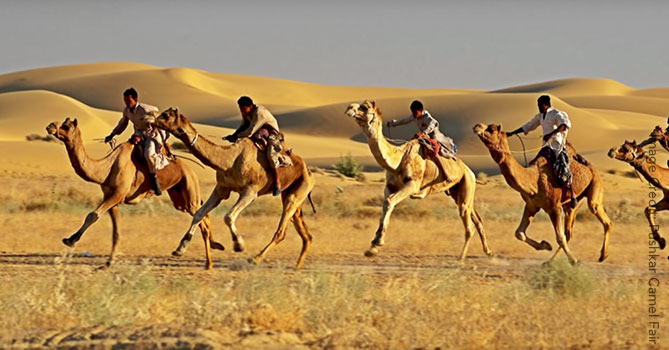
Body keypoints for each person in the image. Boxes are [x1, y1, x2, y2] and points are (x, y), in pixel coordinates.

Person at [506, 95, 576, 207]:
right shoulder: (540, 116)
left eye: (540, 105)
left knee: (563, 169)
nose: (538, 107)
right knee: (533, 164)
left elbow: (564, 126)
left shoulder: (556, 114)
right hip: (545, 147)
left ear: (546, 104)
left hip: (556, 146)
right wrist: (512, 133)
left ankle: (573, 195)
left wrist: (551, 134)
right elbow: (529, 126)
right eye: (538, 105)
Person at [104, 88, 169, 195]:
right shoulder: (126, 111)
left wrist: (164, 140)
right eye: (125, 100)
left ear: (135, 99)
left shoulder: (146, 109)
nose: (127, 103)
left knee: (149, 155)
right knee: (124, 150)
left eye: (129, 100)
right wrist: (112, 134)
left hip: (151, 135)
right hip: (138, 134)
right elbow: (122, 124)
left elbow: (159, 122)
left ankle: (154, 179)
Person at [223, 96, 291, 196]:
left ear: (250, 106)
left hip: (272, 133)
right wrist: (233, 135)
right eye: (240, 109)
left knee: (271, 155)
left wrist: (236, 136)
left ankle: (277, 183)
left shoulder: (260, 114)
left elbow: (250, 131)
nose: (242, 111)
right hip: (259, 132)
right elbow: (243, 126)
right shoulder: (247, 113)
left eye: (243, 109)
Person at [386, 100, 457, 159]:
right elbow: (404, 121)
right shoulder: (414, 116)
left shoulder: (426, 117)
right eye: (412, 112)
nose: (413, 114)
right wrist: (392, 123)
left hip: (435, 138)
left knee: (439, 152)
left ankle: (451, 157)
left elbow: (434, 124)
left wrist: (423, 133)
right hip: (424, 137)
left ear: (421, 110)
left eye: (415, 112)